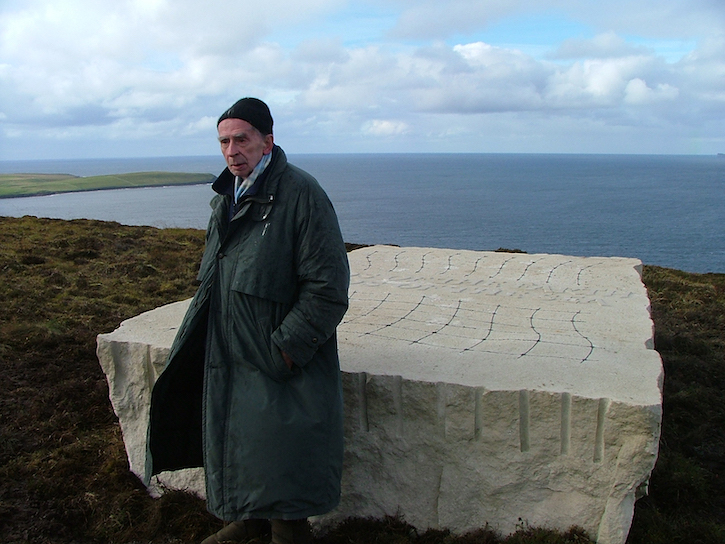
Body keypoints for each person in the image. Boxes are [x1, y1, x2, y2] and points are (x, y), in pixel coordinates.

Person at [147, 97, 350, 544]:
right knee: (244, 454)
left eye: (242, 139)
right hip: (231, 354)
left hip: (278, 363)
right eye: (223, 141)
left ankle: (280, 532)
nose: (232, 150)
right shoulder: (227, 199)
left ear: (267, 141)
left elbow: (328, 287)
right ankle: (249, 524)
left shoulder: (301, 194)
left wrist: (285, 350)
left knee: (282, 471)